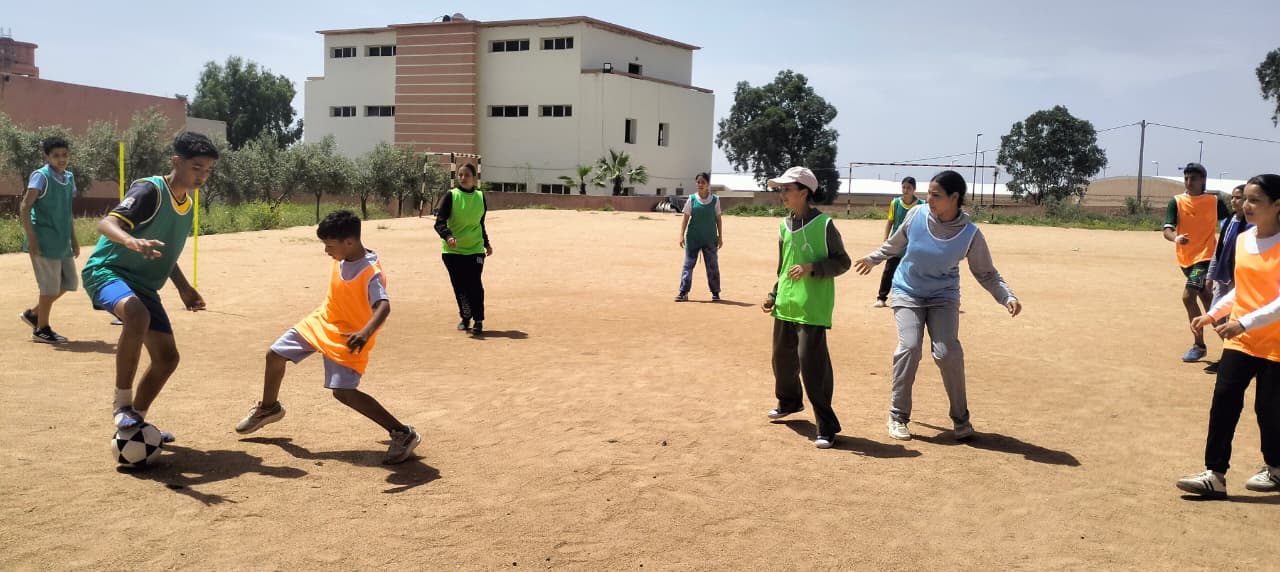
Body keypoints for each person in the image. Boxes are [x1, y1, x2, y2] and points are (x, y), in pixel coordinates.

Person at [234, 210, 421, 465]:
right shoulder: (344, 256)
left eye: (329, 246)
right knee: (274, 355)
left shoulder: (371, 272)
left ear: (349, 242)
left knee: (343, 392)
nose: (326, 251)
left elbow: (384, 306)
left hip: (349, 336)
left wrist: (364, 333)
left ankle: (402, 433)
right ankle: (269, 408)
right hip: (322, 321)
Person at [853, 170, 1021, 442]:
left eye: (936, 195)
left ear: (954, 198)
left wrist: (1007, 296)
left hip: (943, 296)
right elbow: (895, 244)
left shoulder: (970, 234)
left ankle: (961, 418)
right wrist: (872, 259)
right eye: (929, 194)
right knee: (910, 347)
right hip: (908, 291)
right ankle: (897, 416)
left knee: (947, 353)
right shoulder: (916, 215)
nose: (929, 200)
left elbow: (986, 273)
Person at [81, 132, 217, 439]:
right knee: (137, 315)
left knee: (167, 359)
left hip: (144, 286)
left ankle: (135, 425)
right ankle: (121, 403)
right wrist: (131, 241)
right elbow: (106, 224)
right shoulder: (149, 190)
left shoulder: (187, 204)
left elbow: (165, 254)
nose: (202, 176)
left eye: (208, 170)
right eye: (196, 167)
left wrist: (183, 287)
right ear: (177, 162)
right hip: (107, 271)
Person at [1176, 174, 1280, 498]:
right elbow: (1240, 289)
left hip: (1275, 343)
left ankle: (1276, 469)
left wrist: (1244, 322)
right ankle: (1215, 474)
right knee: (1224, 401)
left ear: (1277, 205)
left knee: (1269, 410)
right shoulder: (1244, 239)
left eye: (1255, 200)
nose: (1246, 205)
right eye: (1245, 198)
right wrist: (1212, 314)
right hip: (1241, 339)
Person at [760, 167, 851, 449]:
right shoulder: (783, 226)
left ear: (804, 192)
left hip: (812, 307)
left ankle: (827, 426)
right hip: (785, 303)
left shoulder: (824, 225)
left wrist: (813, 267)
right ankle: (789, 402)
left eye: (787, 189)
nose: (782, 194)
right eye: (781, 189)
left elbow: (843, 262)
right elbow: (784, 266)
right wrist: (774, 294)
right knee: (781, 359)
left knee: (813, 367)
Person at [1164, 162, 1230, 363]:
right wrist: (1175, 238)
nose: (1189, 182)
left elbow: (1229, 224)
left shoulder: (1214, 201)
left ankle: (1199, 345)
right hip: (1186, 259)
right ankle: (1232, 347)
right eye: (1186, 178)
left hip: (1207, 257)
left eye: (1193, 178)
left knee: (1188, 297)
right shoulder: (1176, 201)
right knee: (1209, 302)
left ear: (1203, 180)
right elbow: (1167, 229)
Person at [18, 136, 79, 343]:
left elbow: (67, 211)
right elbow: (25, 207)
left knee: (69, 282)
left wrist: (74, 239)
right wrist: (32, 239)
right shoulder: (41, 176)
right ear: (47, 157)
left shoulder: (68, 177)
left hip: (61, 240)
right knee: (49, 287)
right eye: (56, 155)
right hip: (44, 239)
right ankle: (41, 329)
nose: (61, 159)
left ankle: (34, 314)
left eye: (64, 155)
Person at [434, 163, 492, 337]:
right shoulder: (451, 196)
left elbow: (480, 223)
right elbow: (439, 222)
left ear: (474, 177)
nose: (463, 178)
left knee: (474, 284)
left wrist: (486, 243)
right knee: (460, 287)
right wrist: (448, 236)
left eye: (466, 175)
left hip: (475, 249)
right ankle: (466, 317)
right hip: (452, 252)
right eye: (460, 175)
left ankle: (478, 320)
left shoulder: (480, 197)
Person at [1202, 184, 1251, 375]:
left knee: (1234, 320)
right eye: (1233, 197)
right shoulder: (1229, 220)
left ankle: (1232, 360)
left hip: (1238, 280)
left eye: (1239, 197)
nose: (1234, 201)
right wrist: (1210, 276)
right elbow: (1219, 250)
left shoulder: (1251, 225)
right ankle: (1232, 355)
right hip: (1223, 277)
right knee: (1215, 315)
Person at [675, 172, 723, 302]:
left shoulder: (715, 200)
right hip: (693, 239)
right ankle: (683, 292)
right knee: (688, 266)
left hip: (710, 239)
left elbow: (718, 219)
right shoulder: (692, 199)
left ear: (708, 184)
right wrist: (681, 235)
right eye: (698, 182)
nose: (700, 184)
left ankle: (715, 292)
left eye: (703, 182)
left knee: (712, 267)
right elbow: (685, 218)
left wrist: (720, 237)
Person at [874, 177, 919, 308]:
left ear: (914, 189)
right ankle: (881, 298)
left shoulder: (921, 205)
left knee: (911, 272)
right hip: (896, 244)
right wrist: (886, 239)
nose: (905, 190)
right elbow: (890, 222)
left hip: (912, 245)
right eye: (903, 187)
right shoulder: (895, 203)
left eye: (909, 188)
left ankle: (911, 298)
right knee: (889, 271)